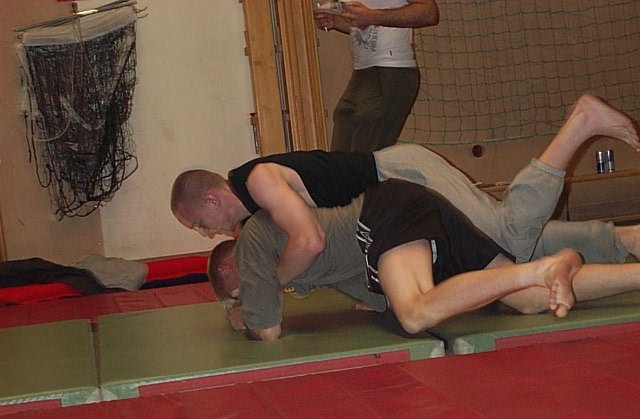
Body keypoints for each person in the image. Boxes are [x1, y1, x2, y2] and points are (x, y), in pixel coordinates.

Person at [172, 94, 640, 284]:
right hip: (396, 188)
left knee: (506, 241)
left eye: (199, 223)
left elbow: (310, 241)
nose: (207, 233)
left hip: (401, 178)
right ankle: (623, 239)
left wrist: (268, 284)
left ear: (211, 199)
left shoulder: (257, 180)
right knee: (500, 238)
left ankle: (580, 123)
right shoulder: (256, 202)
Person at [208, 181, 640, 340]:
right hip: (400, 214)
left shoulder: (249, 244)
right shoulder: (292, 254)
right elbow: (362, 280)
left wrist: (245, 312)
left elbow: (268, 330)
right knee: (527, 299)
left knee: (415, 313)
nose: (205, 232)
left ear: (232, 269)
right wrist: (375, 300)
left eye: (241, 289)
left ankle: (543, 266)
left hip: (386, 215)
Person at [313, 0, 440, 152]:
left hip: (391, 69)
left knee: (363, 158)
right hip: (362, 73)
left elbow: (429, 12)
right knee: (342, 151)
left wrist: (371, 16)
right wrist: (335, 21)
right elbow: (365, 25)